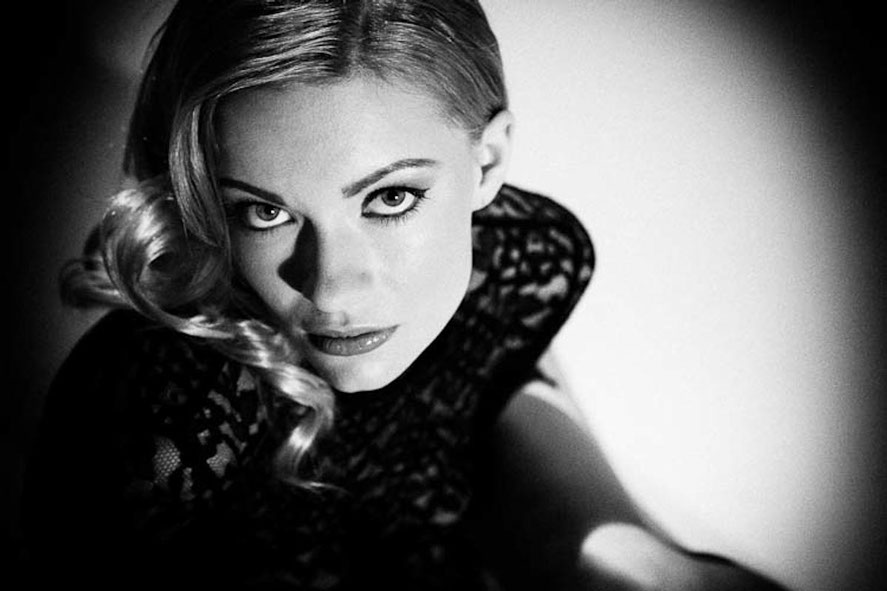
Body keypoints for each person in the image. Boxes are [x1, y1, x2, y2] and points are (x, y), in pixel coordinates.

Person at [21, 1, 786, 589]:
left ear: (488, 161)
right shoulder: (168, 419)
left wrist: (622, 558)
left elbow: (499, 399)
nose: (332, 285)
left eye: (389, 199)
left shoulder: (511, 259)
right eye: (263, 211)